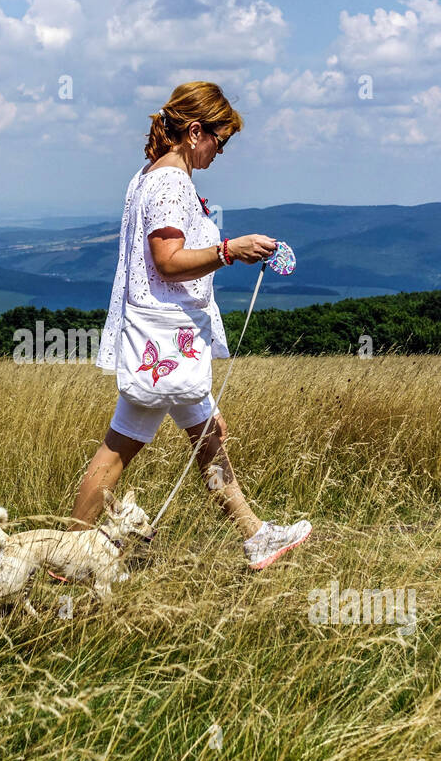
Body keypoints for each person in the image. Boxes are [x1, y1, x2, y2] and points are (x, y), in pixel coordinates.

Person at [68, 81, 311, 570]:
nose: (220, 152)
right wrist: (229, 250)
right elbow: (168, 261)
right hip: (169, 341)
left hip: (159, 341)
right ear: (196, 130)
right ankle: (255, 538)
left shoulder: (149, 176)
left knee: (126, 448)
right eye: (219, 141)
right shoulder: (170, 183)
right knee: (174, 443)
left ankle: (66, 554)